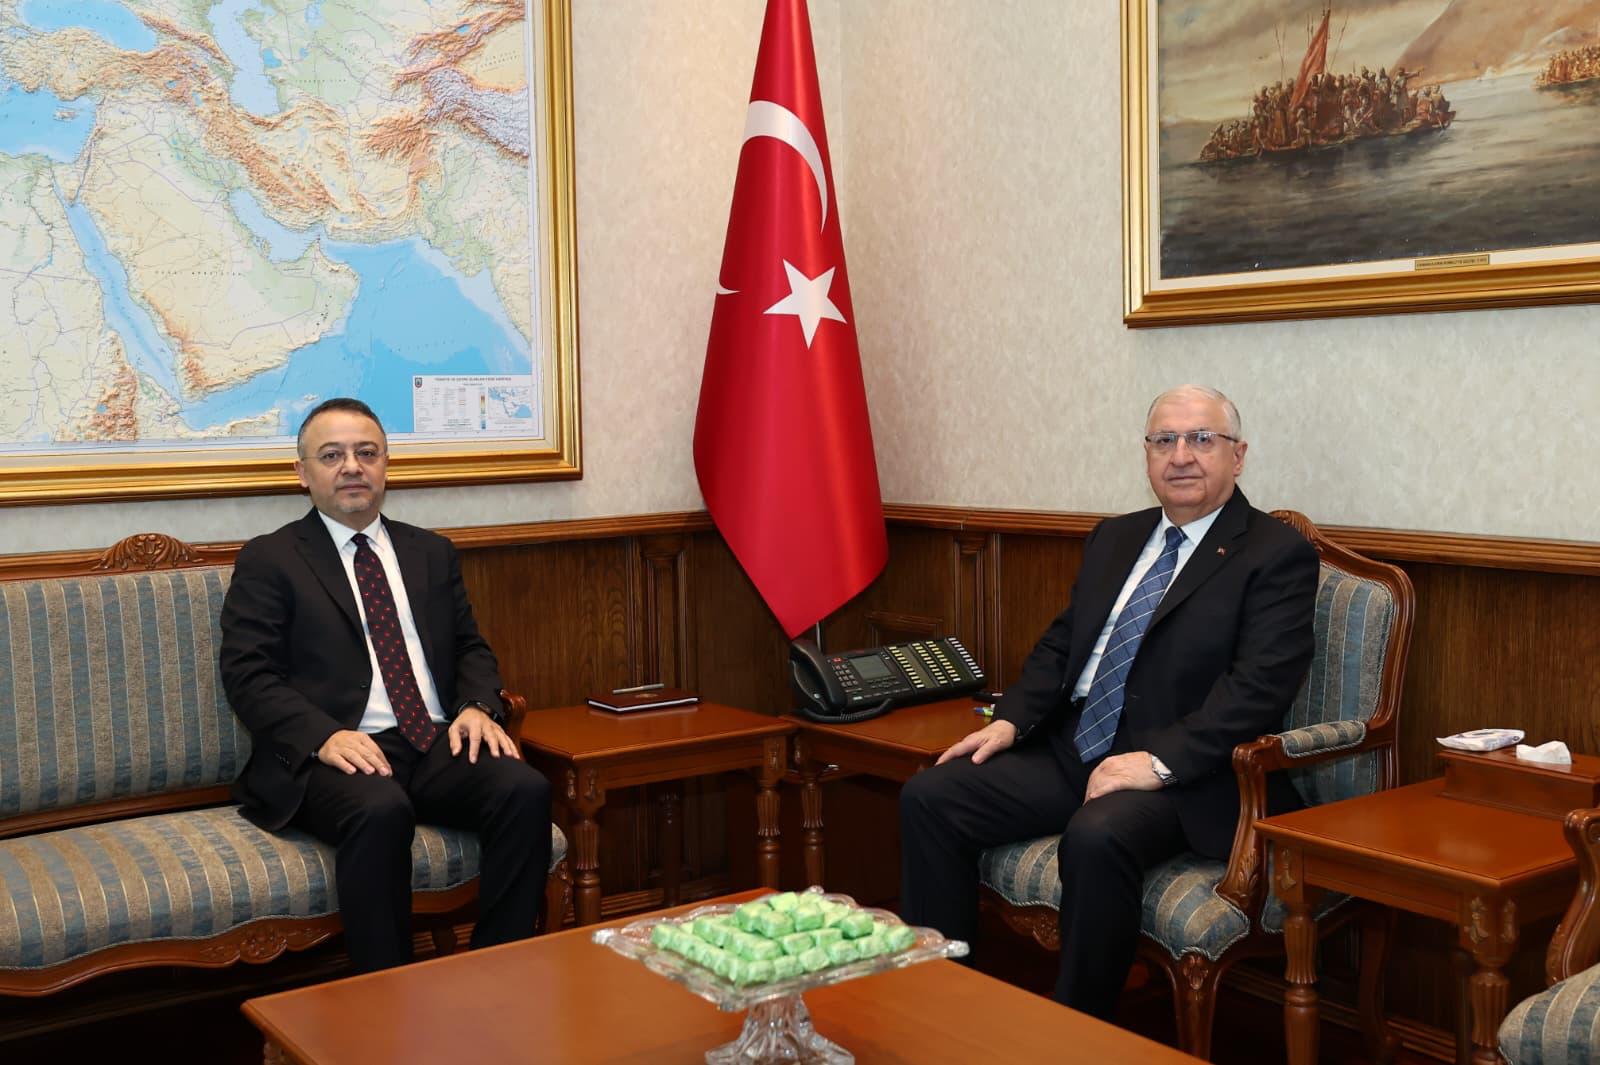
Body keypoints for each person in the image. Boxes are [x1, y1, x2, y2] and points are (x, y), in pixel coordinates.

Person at [899, 385, 1318, 1019]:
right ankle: (940, 1004)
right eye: (1164, 440)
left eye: (1202, 439)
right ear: (1146, 455)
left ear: (1238, 456)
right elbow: (1063, 645)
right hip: (1078, 745)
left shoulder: (1275, 554)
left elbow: (1258, 688)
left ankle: (1079, 1030)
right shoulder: (1116, 538)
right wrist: (1011, 720)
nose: (1181, 455)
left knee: (1096, 836)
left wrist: (1156, 762)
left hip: (1186, 774)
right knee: (931, 796)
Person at [221, 397, 552, 972]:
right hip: (334, 752)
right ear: (303, 473)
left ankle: (497, 974)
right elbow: (248, 673)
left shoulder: (430, 552)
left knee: (524, 790)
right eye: (332, 455)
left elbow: (470, 646)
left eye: (366, 453)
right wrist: (323, 736)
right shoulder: (271, 559)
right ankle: (386, 991)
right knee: (381, 809)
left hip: (431, 741)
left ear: (385, 465)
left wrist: (477, 706)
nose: (352, 466)